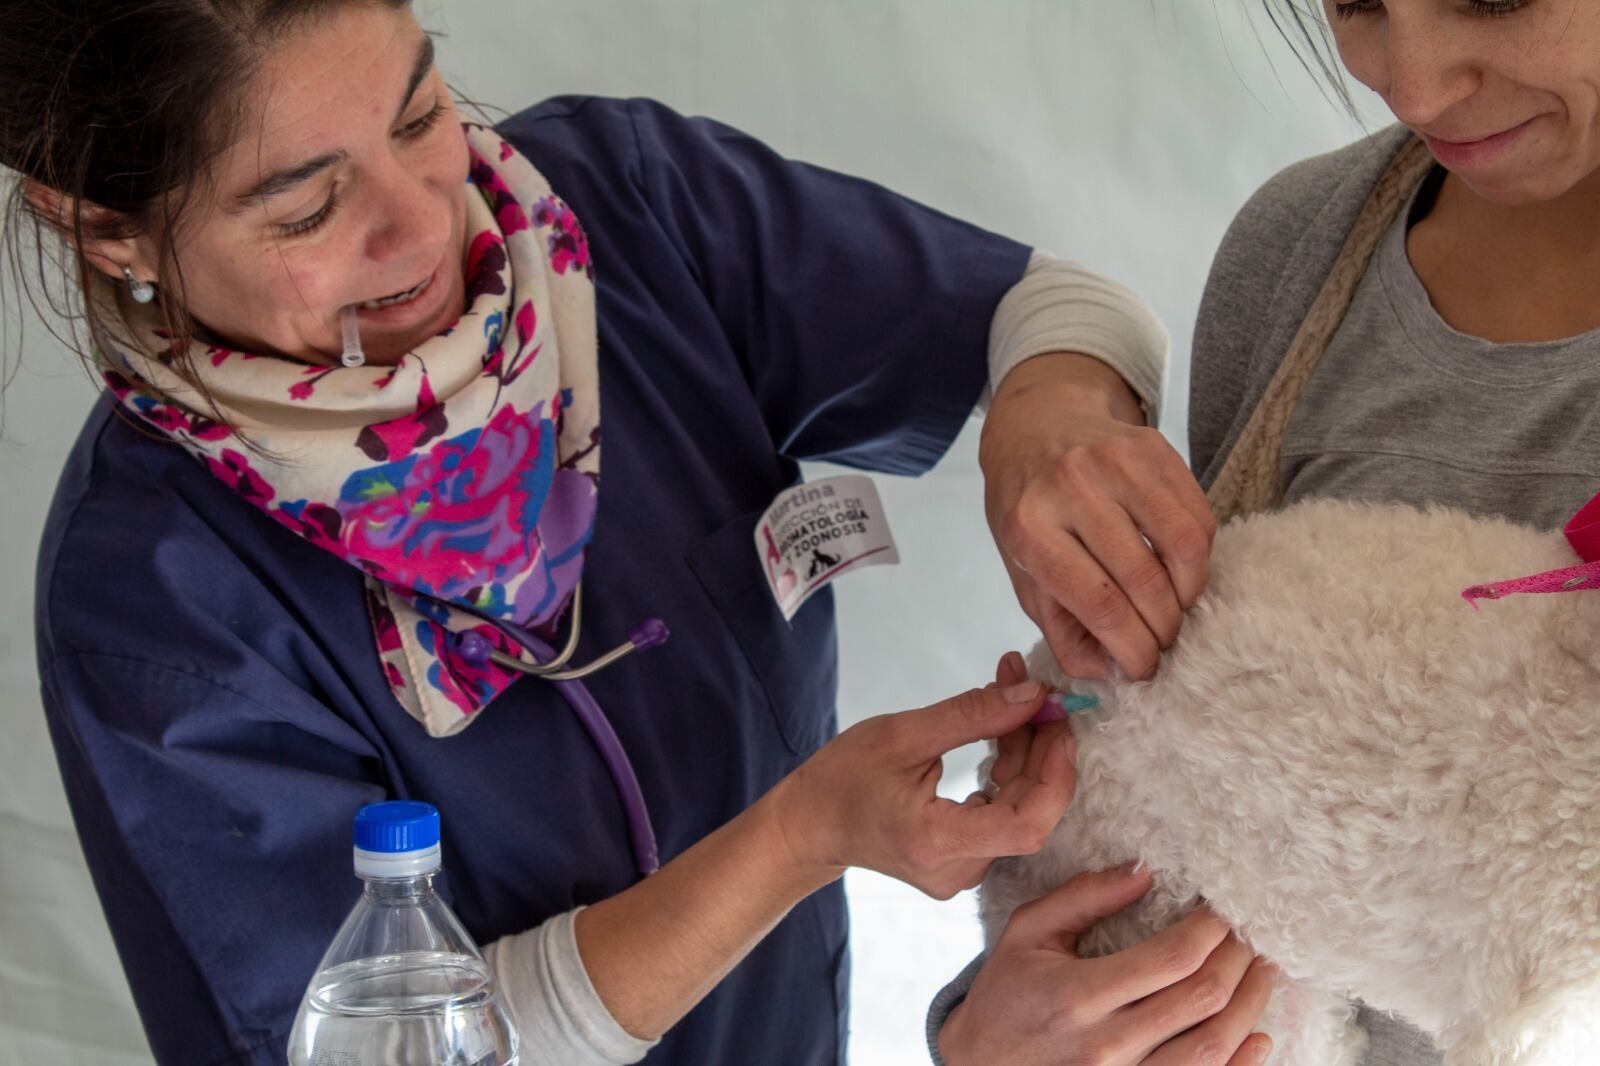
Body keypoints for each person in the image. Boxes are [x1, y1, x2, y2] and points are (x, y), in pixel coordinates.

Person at [4, 2, 1265, 1064]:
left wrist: (1045, 417)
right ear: (103, 225)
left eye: (417, 112)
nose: (426, 221)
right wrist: (799, 836)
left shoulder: (623, 213)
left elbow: (1048, 308)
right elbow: (385, 1047)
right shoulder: (151, 597)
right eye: (305, 209)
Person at [933, 0, 1600, 1064]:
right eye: (1357, 5)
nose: (1411, 86)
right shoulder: (1306, 246)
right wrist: (992, 1030)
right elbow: (1202, 796)